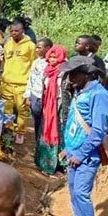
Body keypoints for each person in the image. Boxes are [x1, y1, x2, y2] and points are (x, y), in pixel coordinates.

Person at [58, 56, 108, 216]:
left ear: (87, 73)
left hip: (87, 157)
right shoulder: (80, 91)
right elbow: (75, 123)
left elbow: (98, 130)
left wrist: (80, 153)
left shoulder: (99, 95)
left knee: (81, 194)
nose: (70, 77)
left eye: (74, 73)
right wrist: (68, 149)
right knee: (74, 194)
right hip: (74, 154)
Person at [35, 44, 69, 177]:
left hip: (61, 106)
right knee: (45, 131)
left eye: (55, 57)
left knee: (60, 132)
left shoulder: (65, 72)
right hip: (48, 107)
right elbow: (43, 88)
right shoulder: (47, 70)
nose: (53, 60)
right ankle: (45, 165)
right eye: (51, 57)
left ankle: (60, 166)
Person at [1, 21, 37, 145]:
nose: (13, 33)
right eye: (11, 31)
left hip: (22, 84)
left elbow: (35, 65)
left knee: (22, 110)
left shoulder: (30, 46)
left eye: (16, 31)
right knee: (7, 110)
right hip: (7, 83)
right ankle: (8, 133)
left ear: (22, 31)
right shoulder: (7, 44)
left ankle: (20, 132)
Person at [24, 38, 52, 141]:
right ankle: (38, 142)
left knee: (48, 121)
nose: (36, 50)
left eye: (39, 48)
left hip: (49, 98)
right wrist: (28, 97)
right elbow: (31, 79)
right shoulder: (36, 62)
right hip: (36, 96)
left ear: (47, 48)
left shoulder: (56, 62)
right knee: (37, 121)